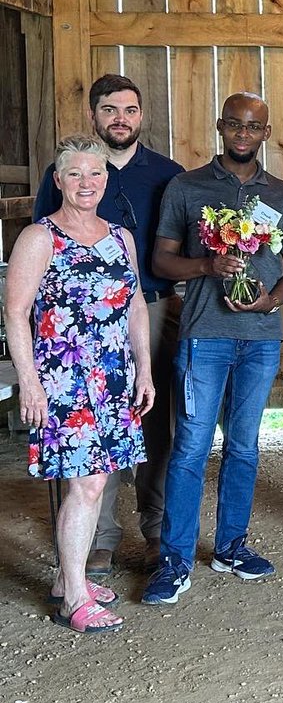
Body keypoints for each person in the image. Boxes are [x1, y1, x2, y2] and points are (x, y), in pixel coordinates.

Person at [142, 93, 283, 605]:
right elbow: (162, 261)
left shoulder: (281, 195)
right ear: (220, 127)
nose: (242, 134)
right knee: (190, 447)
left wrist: (268, 303)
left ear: (266, 132)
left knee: (244, 445)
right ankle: (175, 558)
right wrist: (208, 267)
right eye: (233, 124)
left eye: (253, 127)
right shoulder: (186, 187)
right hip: (203, 336)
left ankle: (232, 545)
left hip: (260, 341)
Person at [33, 74, 183, 577]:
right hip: (78, 330)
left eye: (130, 109)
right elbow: (42, 249)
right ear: (94, 115)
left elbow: (188, 247)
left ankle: (155, 527)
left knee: (153, 419)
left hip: (149, 308)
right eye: (109, 109)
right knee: (89, 433)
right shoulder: (70, 172)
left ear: (141, 116)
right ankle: (100, 536)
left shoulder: (167, 175)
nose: (120, 118)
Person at [6, 136, 154, 633]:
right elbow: (15, 311)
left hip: (112, 377)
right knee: (88, 484)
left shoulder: (120, 237)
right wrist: (29, 381)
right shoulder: (39, 238)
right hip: (64, 378)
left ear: (106, 180)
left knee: (94, 481)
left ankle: (68, 580)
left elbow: (134, 305)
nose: (86, 182)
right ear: (58, 180)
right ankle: (74, 596)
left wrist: (144, 368)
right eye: (75, 174)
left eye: (94, 173)